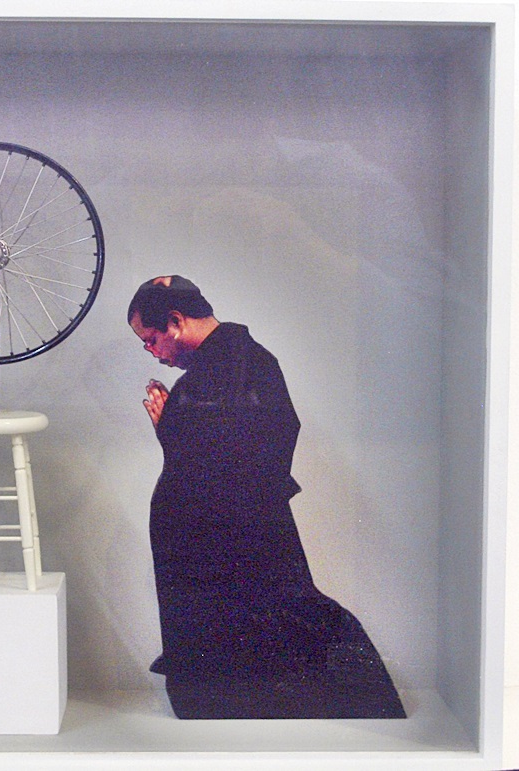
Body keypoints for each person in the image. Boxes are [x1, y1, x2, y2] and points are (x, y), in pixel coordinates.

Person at [127, 275, 405, 720]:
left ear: (176, 322)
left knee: (280, 618)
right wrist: (175, 431)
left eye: (151, 338)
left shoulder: (219, 373)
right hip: (233, 529)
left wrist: (171, 430)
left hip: (230, 534)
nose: (151, 351)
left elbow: (233, 455)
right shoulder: (247, 362)